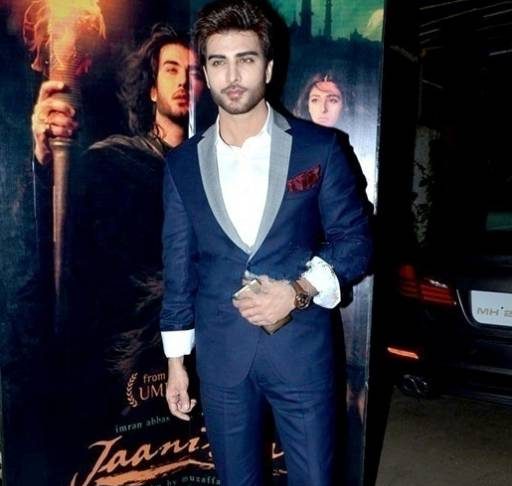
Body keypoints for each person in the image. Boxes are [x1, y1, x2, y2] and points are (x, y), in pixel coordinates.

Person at [160, 1, 373, 485]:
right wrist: (175, 361)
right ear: (206, 73)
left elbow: (357, 241)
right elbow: (178, 267)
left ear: (269, 68)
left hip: (301, 353)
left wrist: (296, 291)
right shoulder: (182, 164)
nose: (233, 75)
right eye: (219, 62)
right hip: (221, 356)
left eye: (246, 59)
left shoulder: (319, 148)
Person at [30, 24, 203, 420]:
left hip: (202, 347)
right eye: (171, 69)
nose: (182, 81)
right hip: (125, 356)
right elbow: (63, 248)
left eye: (193, 73)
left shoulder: (215, 169)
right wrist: (43, 159)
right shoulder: (113, 162)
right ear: (152, 89)